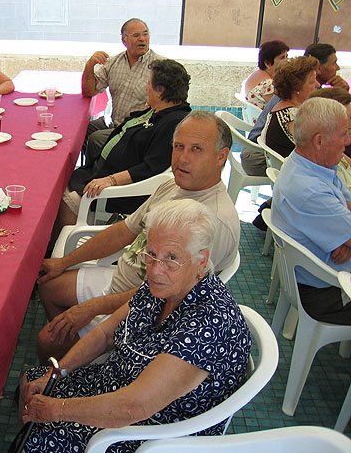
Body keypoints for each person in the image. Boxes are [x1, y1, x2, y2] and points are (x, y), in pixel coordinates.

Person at [19, 199, 252, 453]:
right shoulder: (164, 286)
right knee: (33, 383)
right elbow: (107, 333)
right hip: (119, 384)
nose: (155, 269)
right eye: (151, 254)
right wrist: (57, 372)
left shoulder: (209, 324)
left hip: (158, 429)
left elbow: (134, 406)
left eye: (171, 258)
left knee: (36, 442)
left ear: (202, 261)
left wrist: (55, 411)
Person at [37, 111, 240, 362]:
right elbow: (124, 231)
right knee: (47, 285)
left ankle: (76, 366)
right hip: (121, 280)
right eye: (179, 147)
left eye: (197, 149)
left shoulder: (214, 221)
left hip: (144, 313)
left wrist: (93, 308)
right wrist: (63, 262)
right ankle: (72, 359)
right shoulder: (174, 186)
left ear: (222, 156)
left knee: (47, 340)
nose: (183, 159)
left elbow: (166, 299)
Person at [58, 59, 191, 232]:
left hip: (123, 190)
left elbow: (149, 168)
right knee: (60, 181)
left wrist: (110, 180)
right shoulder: (160, 110)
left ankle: (63, 246)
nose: (146, 88)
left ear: (161, 91)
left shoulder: (172, 124)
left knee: (65, 201)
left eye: (149, 84)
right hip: (103, 172)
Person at [271, 97, 351, 324]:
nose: (348, 141)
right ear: (319, 141)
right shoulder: (310, 190)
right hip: (328, 290)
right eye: (344, 133)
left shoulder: (313, 167)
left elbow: (348, 204)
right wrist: (345, 237)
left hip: (323, 275)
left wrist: (344, 238)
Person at [81, 18, 164, 161]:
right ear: (124, 40)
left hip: (139, 130)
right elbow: (89, 91)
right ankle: (97, 166)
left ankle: (95, 173)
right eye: (136, 35)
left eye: (145, 34)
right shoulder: (114, 63)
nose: (142, 39)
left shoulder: (160, 67)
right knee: (83, 129)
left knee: (96, 139)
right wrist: (90, 65)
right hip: (116, 124)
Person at [242, 55, 319, 176]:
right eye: (312, 81)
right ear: (297, 87)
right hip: (289, 174)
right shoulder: (291, 117)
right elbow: (314, 154)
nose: (318, 85)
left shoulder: (284, 106)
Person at [242, 40, 289, 109]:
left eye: (286, 56)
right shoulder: (268, 86)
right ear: (268, 63)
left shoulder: (258, 75)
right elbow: (283, 108)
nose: (287, 61)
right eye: (282, 58)